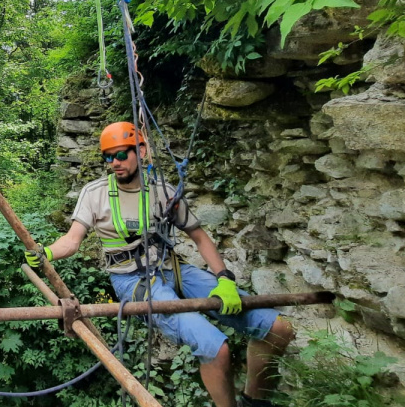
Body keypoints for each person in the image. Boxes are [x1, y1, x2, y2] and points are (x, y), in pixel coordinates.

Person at [25, 122, 294, 407]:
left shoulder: (163, 191)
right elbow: (72, 240)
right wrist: (46, 253)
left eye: (120, 154)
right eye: (108, 157)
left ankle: (255, 402)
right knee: (216, 348)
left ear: (140, 151)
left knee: (279, 329)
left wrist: (225, 278)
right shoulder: (96, 194)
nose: (114, 163)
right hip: (132, 280)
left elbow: (200, 238)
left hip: (173, 269)